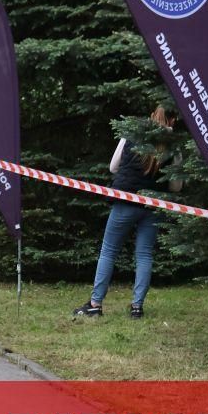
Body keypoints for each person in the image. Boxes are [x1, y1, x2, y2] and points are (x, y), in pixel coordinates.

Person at [74, 105, 181, 319]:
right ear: (173, 121)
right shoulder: (173, 146)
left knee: (109, 251)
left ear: (153, 114)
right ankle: (137, 308)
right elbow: (176, 187)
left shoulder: (132, 132)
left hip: (125, 201)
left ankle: (95, 304)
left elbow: (113, 167)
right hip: (152, 206)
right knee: (144, 254)